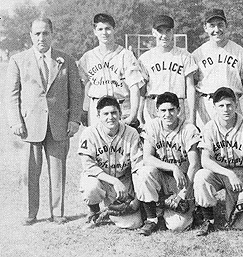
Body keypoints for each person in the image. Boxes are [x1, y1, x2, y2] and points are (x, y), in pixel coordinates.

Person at [6, 18, 83, 225]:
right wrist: (15, 121)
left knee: (58, 172)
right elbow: (12, 95)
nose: (41, 37)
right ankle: (30, 213)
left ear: (52, 34)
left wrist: (74, 120)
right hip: (29, 126)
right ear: (31, 35)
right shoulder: (18, 60)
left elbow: (76, 94)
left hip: (59, 125)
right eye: (37, 33)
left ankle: (57, 212)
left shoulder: (65, 60)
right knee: (30, 171)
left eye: (46, 33)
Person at [193, 87, 243, 236]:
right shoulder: (210, 127)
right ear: (214, 108)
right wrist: (229, 174)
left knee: (242, 226)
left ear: (236, 105)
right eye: (221, 106)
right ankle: (208, 220)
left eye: (229, 105)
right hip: (221, 172)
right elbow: (205, 160)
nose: (226, 109)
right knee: (201, 176)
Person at [135, 92, 201, 236]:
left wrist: (183, 193)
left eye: (171, 110)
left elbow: (195, 164)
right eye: (163, 110)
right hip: (161, 176)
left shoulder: (189, 129)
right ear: (157, 111)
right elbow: (147, 158)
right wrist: (172, 167)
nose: (168, 114)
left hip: (182, 180)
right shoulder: (152, 126)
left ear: (179, 110)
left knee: (178, 226)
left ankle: (167, 205)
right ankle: (152, 219)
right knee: (145, 171)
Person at [78, 96, 143, 229]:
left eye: (114, 113)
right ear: (98, 115)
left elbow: (138, 166)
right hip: (101, 179)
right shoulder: (89, 133)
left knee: (133, 224)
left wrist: (137, 197)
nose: (110, 117)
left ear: (120, 113)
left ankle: (110, 212)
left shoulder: (132, 133)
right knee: (90, 185)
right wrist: (114, 181)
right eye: (105, 114)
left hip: (124, 181)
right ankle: (95, 212)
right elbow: (88, 166)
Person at [78, 13, 144, 127]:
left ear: (114, 30)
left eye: (108, 28)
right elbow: (79, 86)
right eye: (100, 29)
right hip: (97, 109)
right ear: (95, 31)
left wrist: (133, 115)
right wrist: (83, 109)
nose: (104, 33)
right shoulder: (87, 57)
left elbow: (134, 88)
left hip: (121, 107)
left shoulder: (126, 55)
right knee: (97, 144)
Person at [138, 15, 197, 124]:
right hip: (153, 105)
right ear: (153, 32)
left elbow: (190, 87)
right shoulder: (145, 58)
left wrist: (192, 118)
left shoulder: (184, 56)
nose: (164, 36)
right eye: (160, 31)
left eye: (168, 31)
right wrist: (139, 114)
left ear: (173, 32)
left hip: (176, 105)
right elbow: (142, 90)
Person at [193, 9, 243, 127]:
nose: (216, 30)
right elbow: (193, 84)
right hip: (207, 104)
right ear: (205, 28)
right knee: (207, 143)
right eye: (212, 25)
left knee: (233, 143)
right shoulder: (197, 54)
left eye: (220, 25)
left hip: (231, 104)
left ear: (226, 25)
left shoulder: (240, 52)